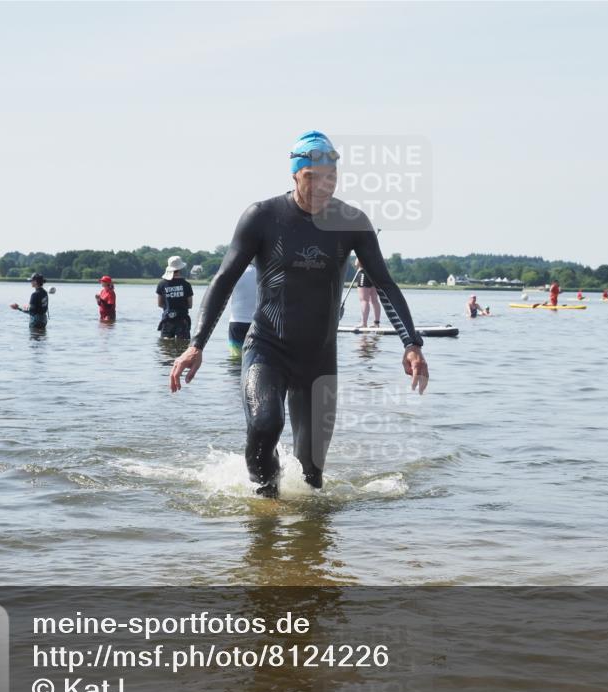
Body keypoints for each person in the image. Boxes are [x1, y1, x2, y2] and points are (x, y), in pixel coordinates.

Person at [169, 130, 428, 498]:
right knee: (264, 425)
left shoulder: (351, 222)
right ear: (295, 174)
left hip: (319, 358)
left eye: (331, 177)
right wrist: (196, 345)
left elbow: (384, 284)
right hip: (267, 348)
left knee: (312, 474)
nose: (324, 185)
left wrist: (411, 344)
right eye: (314, 176)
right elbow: (224, 279)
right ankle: (265, 511)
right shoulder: (262, 216)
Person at [156, 255, 193, 339]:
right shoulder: (186, 284)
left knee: (166, 346)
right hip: (182, 319)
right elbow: (190, 305)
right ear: (180, 269)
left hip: (167, 319)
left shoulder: (162, 284)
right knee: (183, 345)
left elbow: (159, 304)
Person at [228, 263, 258, 355]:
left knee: (236, 359)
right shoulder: (261, 271)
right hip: (257, 323)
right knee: (254, 359)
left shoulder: (234, 272)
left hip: (236, 322)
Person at [356, 257, 381, 327]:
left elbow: (357, 263)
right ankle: (376, 323)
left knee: (364, 300)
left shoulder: (362, 248)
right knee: (375, 300)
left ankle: (364, 323)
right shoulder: (375, 251)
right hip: (375, 274)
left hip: (364, 274)